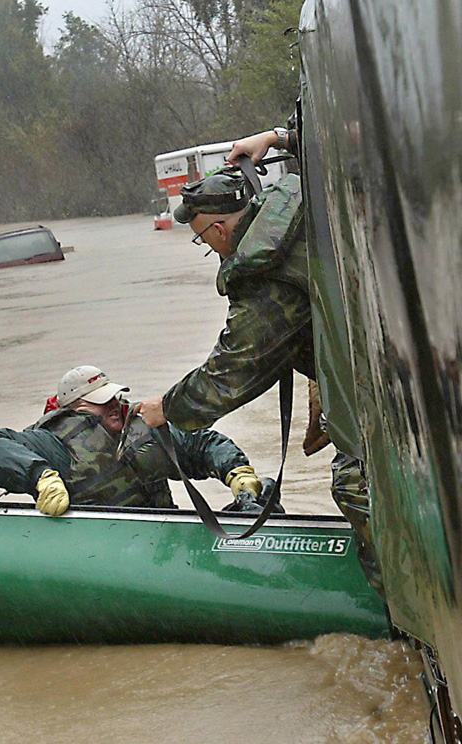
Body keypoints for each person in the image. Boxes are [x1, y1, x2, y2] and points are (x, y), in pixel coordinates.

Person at [136, 129, 380, 592]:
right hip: (412, 349)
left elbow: (231, 373)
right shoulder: (301, 196)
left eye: (204, 240)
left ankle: (420, 615)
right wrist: (279, 137)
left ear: (220, 229)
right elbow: (340, 135)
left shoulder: (263, 278)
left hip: (387, 385)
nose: (210, 249)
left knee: (356, 484)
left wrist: (165, 408)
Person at [0, 365, 273, 516]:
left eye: (115, 396)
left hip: (165, 540)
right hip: (103, 549)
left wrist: (235, 472)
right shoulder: (53, 443)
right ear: (77, 408)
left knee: (265, 495)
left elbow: (201, 445)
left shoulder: (145, 430)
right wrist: (40, 476)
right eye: (102, 400)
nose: (115, 403)